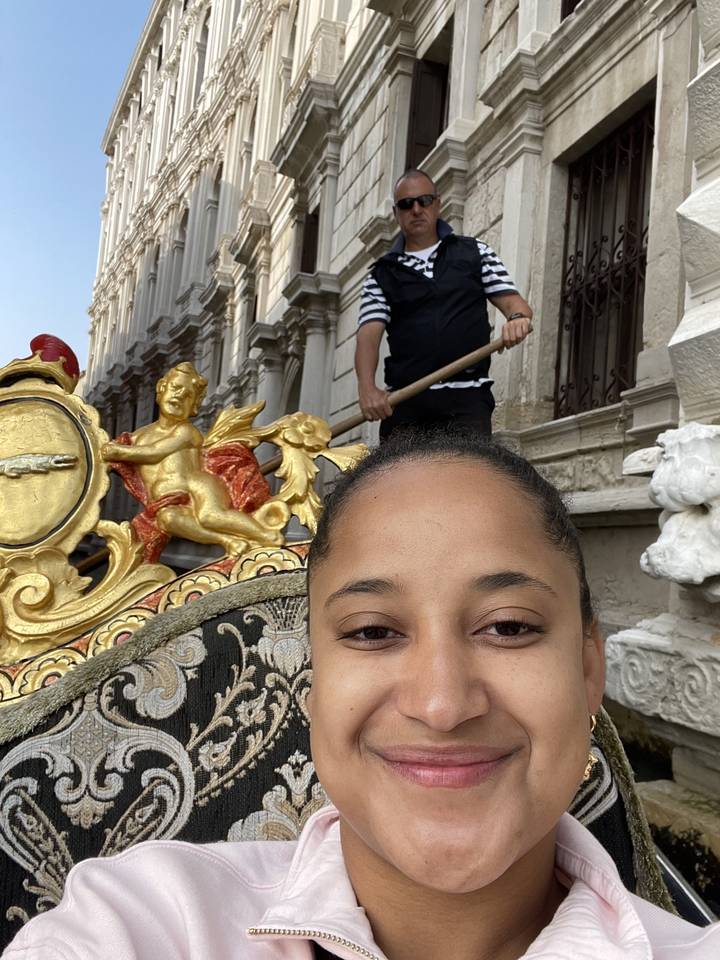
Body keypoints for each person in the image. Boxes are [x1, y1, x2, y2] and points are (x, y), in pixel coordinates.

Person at [5, 430, 718, 959]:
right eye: (374, 632)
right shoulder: (148, 923)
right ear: (316, 680)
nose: (442, 705)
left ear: (589, 670)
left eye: (507, 627)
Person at [355, 169, 533, 439]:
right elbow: (368, 336)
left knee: (464, 481)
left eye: (424, 201)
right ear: (397, 213)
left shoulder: (475, 252)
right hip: (406, 404)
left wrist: (517, 318)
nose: (416, 209)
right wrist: (367, 389)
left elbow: (514, 303)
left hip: (467, 401)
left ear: (437, 203)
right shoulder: (381, 275)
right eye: (406, 204)